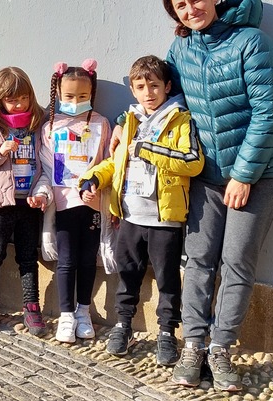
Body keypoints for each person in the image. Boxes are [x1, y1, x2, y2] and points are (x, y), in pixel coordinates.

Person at [162, 0, 273, 392]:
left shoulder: (253, 43)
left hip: (258, 175)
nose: (190, 9)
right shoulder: (181, 48)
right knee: (198, 260)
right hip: (205, 176)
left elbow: (269, 114)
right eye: (181, 6)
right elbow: (172, 104)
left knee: (236, 261)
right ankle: (193, 345)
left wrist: (243, 175)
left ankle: (220, 348)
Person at [81, 55, 203, 365]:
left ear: (167, 86)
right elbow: (117, 162)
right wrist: (92, 178)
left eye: (154, 86)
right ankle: (123, 326)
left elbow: (192, 162)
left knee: (167, 281)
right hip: (131, 216)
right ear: (133, 91)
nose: (148, 92)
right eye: (140, 87)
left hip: (165, 219)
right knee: (128, 275)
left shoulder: (181, 119)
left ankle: (166, 333)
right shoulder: (130, 120)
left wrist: (148, 149)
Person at [0, 67, 48, 334]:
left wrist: (41, 191)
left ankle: (32, 307)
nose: (19, 105)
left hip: (29, 202)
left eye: (24, 98)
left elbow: (46, 161)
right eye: (12, 100)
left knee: (28, 256)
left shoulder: (38, 123)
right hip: (0, 202)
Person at [35, 60, 110, 343]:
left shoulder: (101, 124)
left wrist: (97, 185)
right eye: (69, 96)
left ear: (92, 94)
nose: (76, 101)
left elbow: (108, 162)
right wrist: (44, 193)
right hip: (63, 203)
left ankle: (83, 311)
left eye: (82, 96)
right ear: (57, 93)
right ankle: (66, 314)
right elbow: (45, 167)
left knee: (88, 259)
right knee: (66, 261)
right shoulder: (50, 127)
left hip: (91, 203)